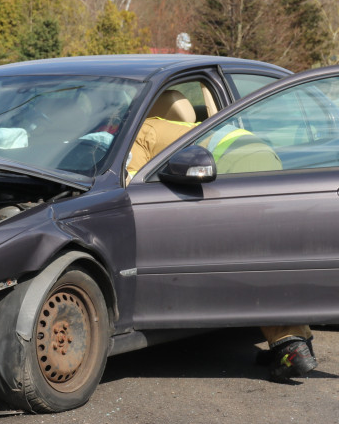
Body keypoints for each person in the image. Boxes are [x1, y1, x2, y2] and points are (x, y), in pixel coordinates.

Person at [126, 99, 317, 382]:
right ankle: (300, 344)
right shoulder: (182, 126)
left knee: (248, 264)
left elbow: (129, 186)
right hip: (265, 156)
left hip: (234, 170)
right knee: (270, 258)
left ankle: (290, 348)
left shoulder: (141, 132)